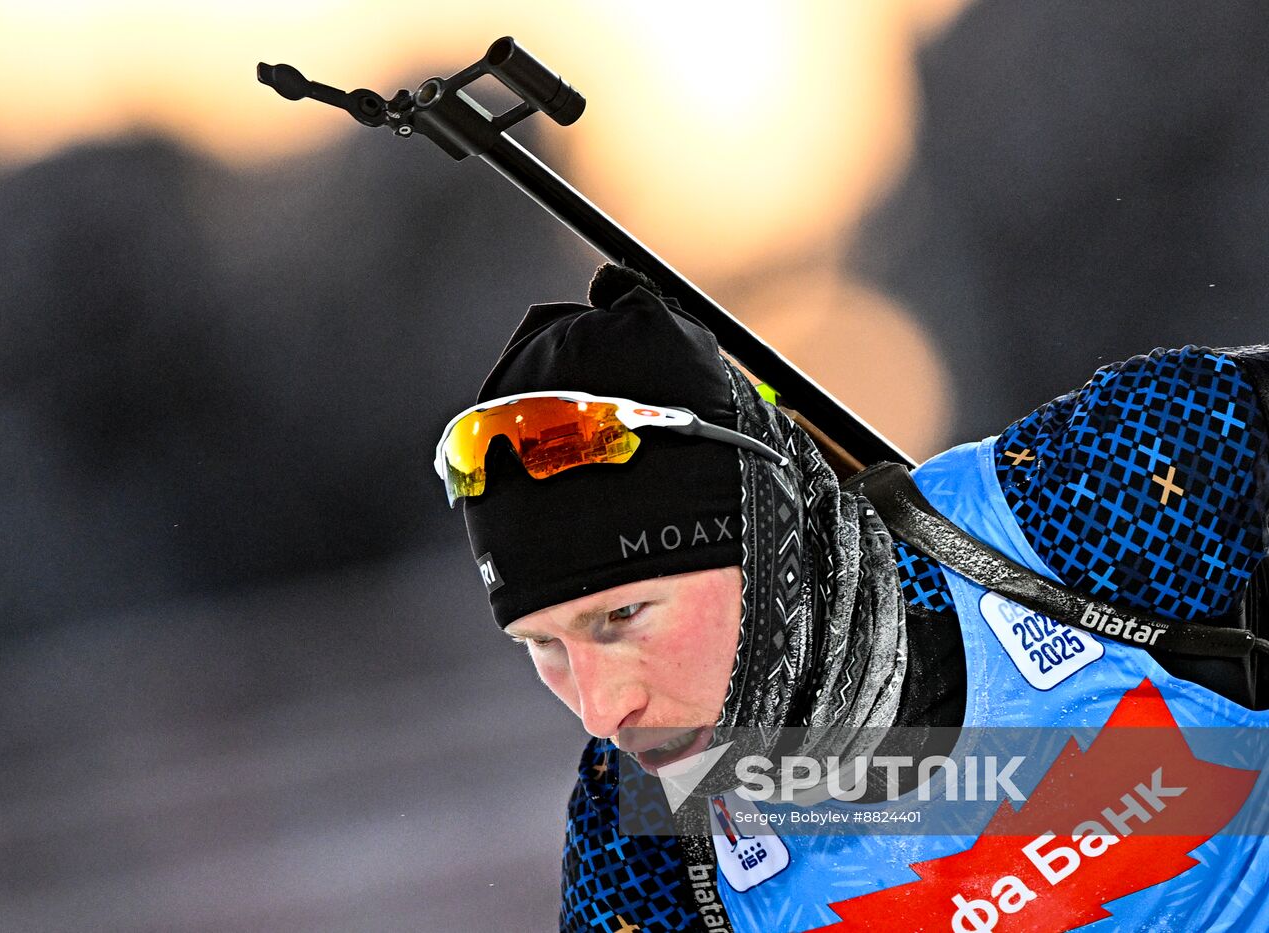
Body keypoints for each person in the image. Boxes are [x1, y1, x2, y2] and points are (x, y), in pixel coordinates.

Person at [434, 264, 1269, 932]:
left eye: (622, 617)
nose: (602, 710)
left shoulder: (1095, 500)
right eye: (542, 646)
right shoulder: (645, 846)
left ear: (768, 539)